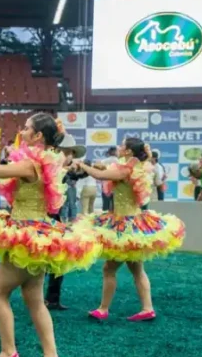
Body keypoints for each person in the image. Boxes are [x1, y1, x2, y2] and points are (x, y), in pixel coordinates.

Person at [0, 114, 101, 357]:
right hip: (36, 233)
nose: (22, 131)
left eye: (27, 128)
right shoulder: (43, 160)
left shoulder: (31, 163)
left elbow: (0, 171)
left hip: (26, 236)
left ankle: (8, 352)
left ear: (38, 136)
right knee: (34, 300)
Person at [74, 137, 186, 322]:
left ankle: (103, 309)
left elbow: (102, 175)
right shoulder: (136, 167)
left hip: (124, 227)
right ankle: (147, 308)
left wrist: (83, 165)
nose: (119, 147)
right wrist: (95, 166)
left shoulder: (126, 170)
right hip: (134, 224)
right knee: (137, 270)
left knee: (109, 269)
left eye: (122, 145)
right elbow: (108, 170)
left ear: (128, 151)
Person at [45, 133, 87, 311]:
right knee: (40, 261)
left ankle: (52, 299)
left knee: (59, 260)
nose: (68, 156)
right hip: (46, 220)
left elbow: (83, 173)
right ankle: (35, 298)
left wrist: (80, 167)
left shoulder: (70, 172)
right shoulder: (48, 170)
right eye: (65, 152)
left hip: (63, 220)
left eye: (70, 153)